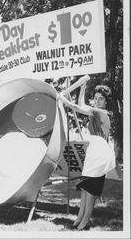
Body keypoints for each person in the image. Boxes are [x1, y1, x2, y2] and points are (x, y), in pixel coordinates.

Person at [59, 80, 116, 230]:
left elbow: (77, 107)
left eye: (101, 99)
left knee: (90, 189)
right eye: (96, 98)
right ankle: (79, 219)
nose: (97, 101)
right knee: (85, 187)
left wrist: (63, 99)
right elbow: (82, 105)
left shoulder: (100, 113)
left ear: (105, 102)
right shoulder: (95, 112)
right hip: (94, 150)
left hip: (100, 152)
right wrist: (83, 88)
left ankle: (85, 222)